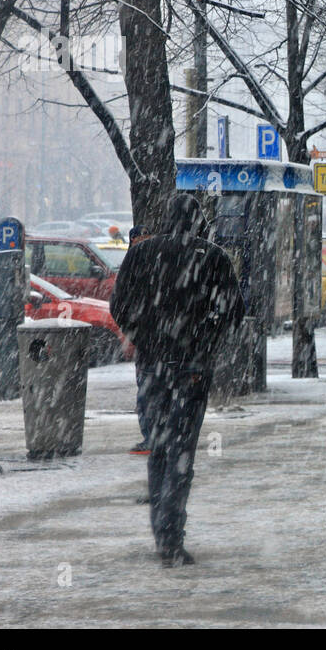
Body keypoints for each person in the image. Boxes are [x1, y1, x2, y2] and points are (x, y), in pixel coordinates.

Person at [111, 194, 246, 567]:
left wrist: (141, 336)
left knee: (158, 448)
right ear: (198, 222)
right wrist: (207, 341)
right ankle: (173, 533)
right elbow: (234, 311)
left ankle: (161, 529)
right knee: (181, 452)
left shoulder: (141, 254)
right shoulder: (213, 257)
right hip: (193, 369)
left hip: (153, 367)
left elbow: (118, 303)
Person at [126, 224, 154, 456]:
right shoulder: (136, 266)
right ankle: (151, 435)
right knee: (145, 388)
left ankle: (154, 435)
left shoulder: (151, 264)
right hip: (147, 338)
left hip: (152, 337)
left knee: (149, 388)